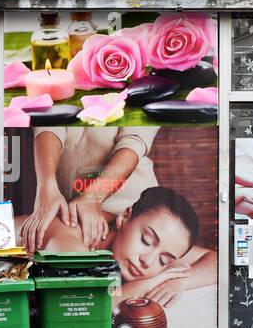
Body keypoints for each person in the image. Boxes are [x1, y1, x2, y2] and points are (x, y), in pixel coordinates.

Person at [34, 185, 217, 308]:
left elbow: (219, 261)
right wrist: (152, 282)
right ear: (123, 217)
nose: (147, 261)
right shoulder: (70, 233)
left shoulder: (156, 246)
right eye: (146, 240)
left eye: (164, 261)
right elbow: (87, 305)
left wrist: (180, 281)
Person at [18, 127, 157, 251]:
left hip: (128, 207)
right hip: (71, 210)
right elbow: (48, 122)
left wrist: (93, 197)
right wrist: (47, 185)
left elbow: (134, 142)